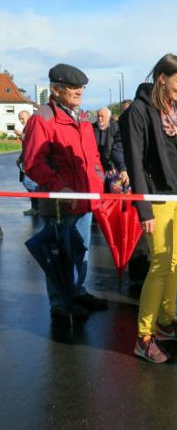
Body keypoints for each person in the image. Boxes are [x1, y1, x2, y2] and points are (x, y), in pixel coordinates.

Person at [120, 53, 177, 364]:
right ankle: (144, 337)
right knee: (159, 265)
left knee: (173, 261)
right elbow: (134, 161)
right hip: (157, 198)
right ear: (162, 78)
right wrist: (143, 209)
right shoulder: (139, 113)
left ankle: (166, 320)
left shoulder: (175, 109)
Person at [23, 63, 108, 320]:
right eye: (72, 87)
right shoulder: (43, 118)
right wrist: (61, 188)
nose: (78, 91)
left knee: (80, 250)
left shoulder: (81, 116)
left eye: (80, 87)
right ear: (56, 90)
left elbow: (92, 156)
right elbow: (32, 163)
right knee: (60, 253)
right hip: (62, 201)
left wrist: (99, 180)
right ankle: (61, 304)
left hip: (85, 198)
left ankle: (77, 292)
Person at [93, 107, 129, 192]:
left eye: (102, 116)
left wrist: (114, 166)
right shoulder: (92, 129)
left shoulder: (116, 128)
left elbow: (118, 148)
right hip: (98, 168)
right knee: (99, 190)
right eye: (98, 116)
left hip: (114, 168)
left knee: (115, 189)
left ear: (109, 117)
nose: (99, 119)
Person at [16, 110, 39, 215]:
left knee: (29, 182)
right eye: (19, 118)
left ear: (28, 117)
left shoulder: (32, 126)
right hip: (26, 159)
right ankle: (35, 207)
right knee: (28, 183)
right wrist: (20, 158)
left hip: (33, 161)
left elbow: (32, 141)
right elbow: (26, 146)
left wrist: (22, 135)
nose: (21, 120)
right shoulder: (27, 127)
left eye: (22, 118)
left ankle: (37, 207)